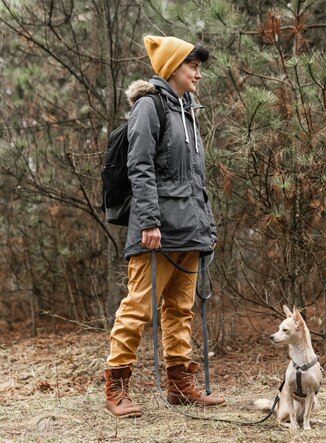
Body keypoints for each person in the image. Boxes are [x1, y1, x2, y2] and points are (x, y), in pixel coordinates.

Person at [104, 35, 225, 418]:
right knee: (138, 307)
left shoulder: (189, 111)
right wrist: (150, 221)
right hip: (155, 229)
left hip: (190, 227)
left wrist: (206, 226)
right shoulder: (148, 107)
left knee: (180, 308)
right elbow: (139, 168)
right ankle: (117, 387)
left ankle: (179, 385)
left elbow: (194, 180)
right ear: (173, 67)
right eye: (193, 66)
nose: (198, 74)